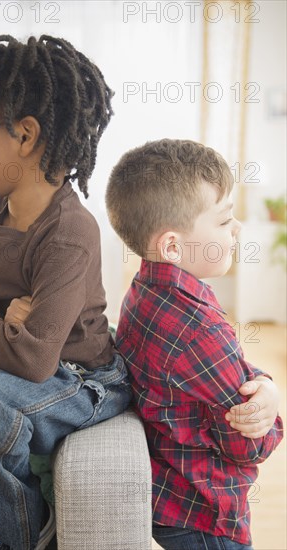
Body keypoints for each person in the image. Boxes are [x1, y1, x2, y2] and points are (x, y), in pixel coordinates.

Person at [0, 34, 132, 550]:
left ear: (26, 134)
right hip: (5, 363)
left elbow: (36, 359)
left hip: (79, 378)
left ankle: (13, 530)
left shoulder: (68, 231)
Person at [105, 138, 283, 550]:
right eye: (223, 221)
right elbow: (249, 444)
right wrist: (270, 406)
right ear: (172, 245)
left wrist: (262, 380)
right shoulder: (197, 330)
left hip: (169, 490)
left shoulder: (146, 288)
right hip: (205, 511)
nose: (237, 228)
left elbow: (221, 376)